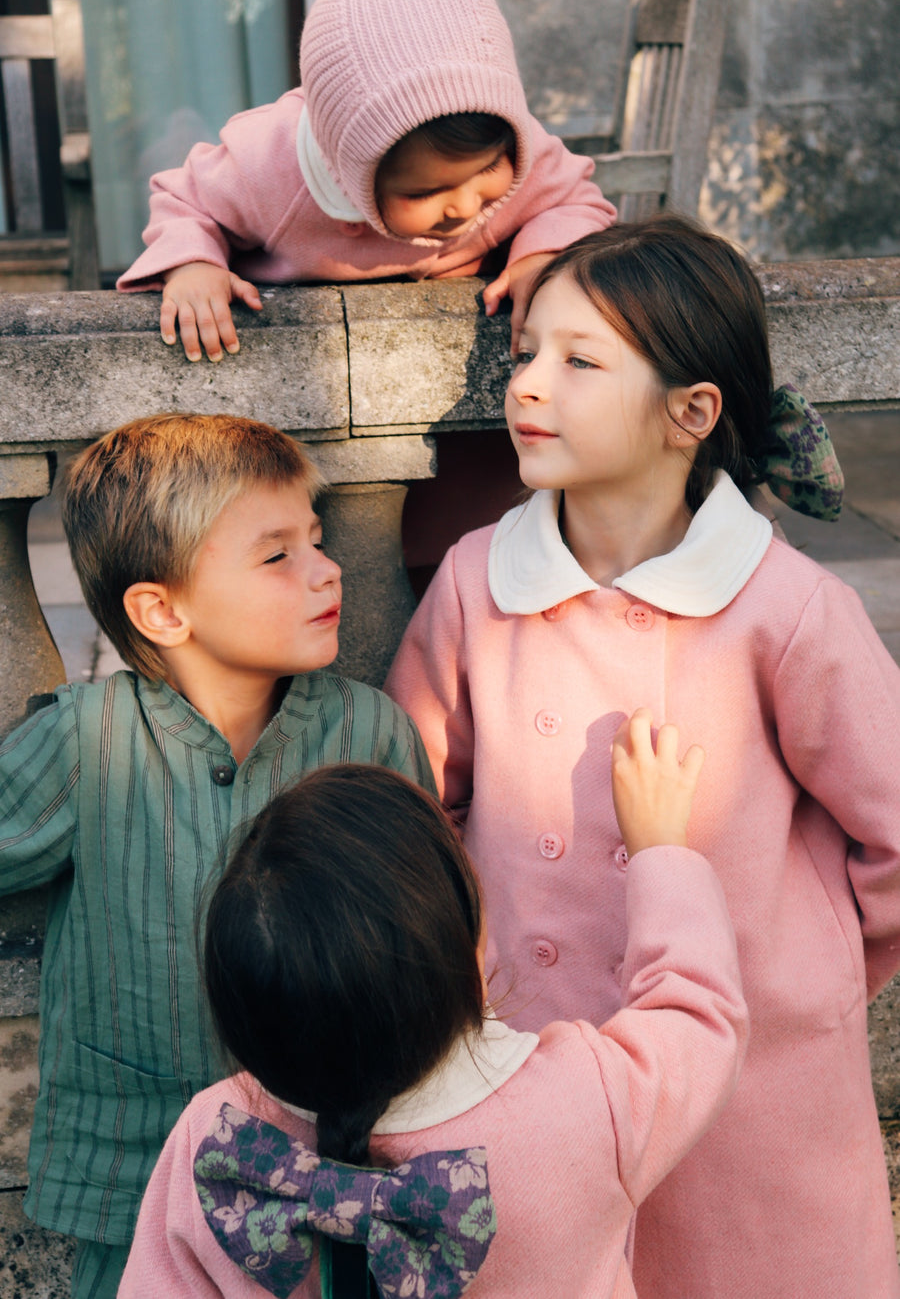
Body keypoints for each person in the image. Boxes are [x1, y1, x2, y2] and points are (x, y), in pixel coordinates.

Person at [386, 214, 900, 1299]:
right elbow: (410, 803)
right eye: (528, 354)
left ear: (691, 413)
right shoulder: (481, 583)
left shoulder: (788, 610)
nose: (527, 386)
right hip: (536, 1074)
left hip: (752, 1090)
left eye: (579, 363)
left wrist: (808, 964)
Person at [0, 413, 433, 1299]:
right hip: (137, 1190)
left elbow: (430, 941)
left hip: (337, 1185)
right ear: (162, 609)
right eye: (277, 555)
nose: (327, 567)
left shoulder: (368, 732)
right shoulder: (87, 742)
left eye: (316, 539)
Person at [119, 715, 747, 1298]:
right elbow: (697, 1013)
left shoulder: (215, 1136)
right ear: (466, 942)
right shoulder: (589, 1102)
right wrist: (661, 848)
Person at [115, 0, 615, 363]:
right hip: (294, 367)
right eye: (424, 191)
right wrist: (194, 266)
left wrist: (543, 256)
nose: (464, 206)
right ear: (354, 172)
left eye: (486, 169)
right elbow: (184, 199)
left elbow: (576, 199)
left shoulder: (510, 143)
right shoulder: (270, 165)